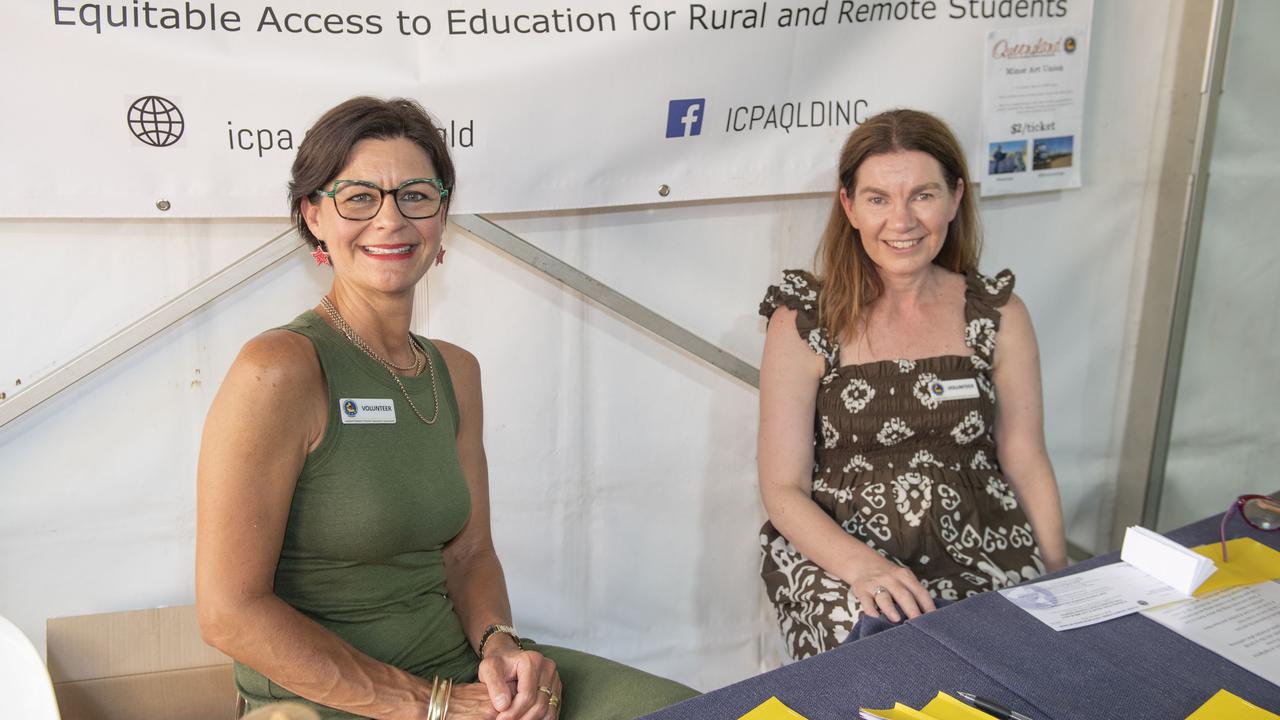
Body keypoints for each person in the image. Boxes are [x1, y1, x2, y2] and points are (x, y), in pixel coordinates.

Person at [196, 97, 697, 720]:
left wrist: (500, 646)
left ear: (440, 218)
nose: (390, 220)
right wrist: (431, 706)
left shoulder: (455, 372)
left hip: (459, 677)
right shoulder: (278, 369)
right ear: (314, 216)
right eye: (358, 197)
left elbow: (468, 553)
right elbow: (229, 613)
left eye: (415, 195)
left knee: (725, 712)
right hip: (321, 701)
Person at [756, 109, 1068, 660]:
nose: (901, 221)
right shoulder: (806, 320)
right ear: (849, 206)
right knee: (884, 661)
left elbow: (1024, 457)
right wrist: (863, 567)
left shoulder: (996, 313)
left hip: (981, 537)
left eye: (922, 195)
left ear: (955, 198)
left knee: (1021, 662)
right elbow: (783, 488)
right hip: (843, 550)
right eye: (878, 198)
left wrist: (1061, 574)